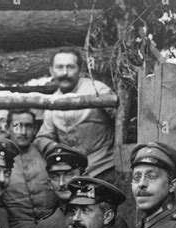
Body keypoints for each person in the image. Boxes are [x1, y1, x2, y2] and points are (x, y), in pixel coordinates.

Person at [35, 49, 116, 181]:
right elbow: (43, 137)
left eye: (70, 67)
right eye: (59, 67)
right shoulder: (52, 102)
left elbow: (121, 121)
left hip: (104, 168)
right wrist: (57, 149)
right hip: (72, 174)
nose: (65, 73)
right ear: (51, 71)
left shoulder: (98, 90)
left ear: (80, 69)